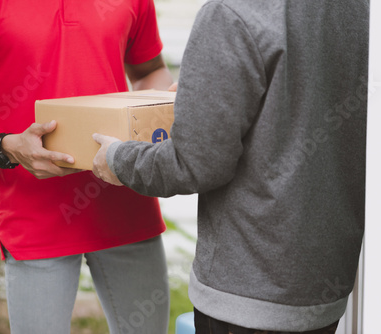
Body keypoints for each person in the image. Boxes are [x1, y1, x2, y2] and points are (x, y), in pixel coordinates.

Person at [92, 0, 369, 333]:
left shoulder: (231, 12)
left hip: (247, 295)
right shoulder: (359, 8)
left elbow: (193, 164)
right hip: (325, 289)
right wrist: (209, 99)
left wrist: (117, 159)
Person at [0, 0, 173, 333]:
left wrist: (160, 108)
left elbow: (148, 72)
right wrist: (8, 146)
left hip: (127, 198)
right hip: (34, 216)